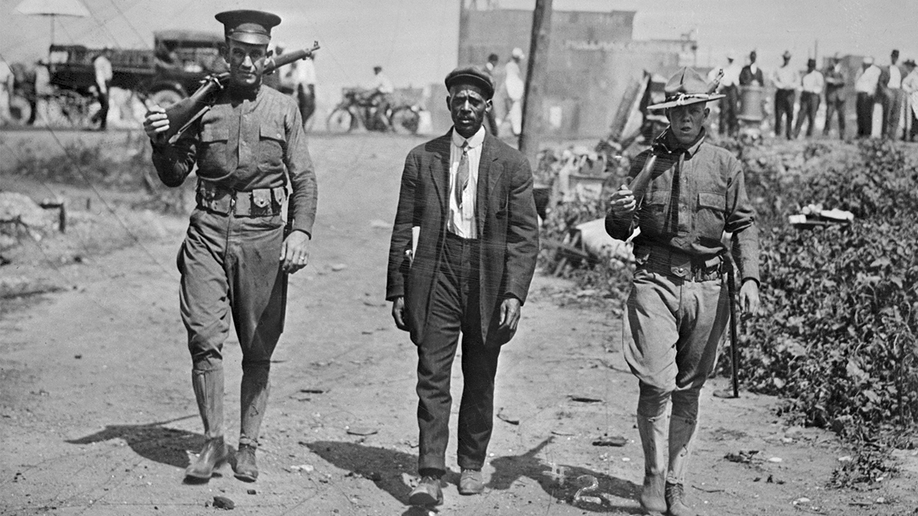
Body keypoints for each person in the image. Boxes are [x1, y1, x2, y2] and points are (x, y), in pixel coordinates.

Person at [141, 9, 317, 484]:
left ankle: (249, 446)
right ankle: (213, 440)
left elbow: (303, 179)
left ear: (268, 57)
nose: (246, 61)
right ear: (226, 54)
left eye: (255, 54)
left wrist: (299, 232)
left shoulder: (283, 109)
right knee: (203, 336)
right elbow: (176, 173)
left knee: (258, 346)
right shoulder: (204, 105)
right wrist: (161, 143)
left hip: (263, 237)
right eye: (237, 52)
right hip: (207, 229)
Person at [605, 67, 760, 516]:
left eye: (694, 109)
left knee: (689, 389)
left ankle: (676, 482)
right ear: (667, 116)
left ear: (705, 111)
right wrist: (618, 214)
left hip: (709, 288)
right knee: (655, 382)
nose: (686, 118)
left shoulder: (726, 165)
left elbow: (744, 224)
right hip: (654, 281)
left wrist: (749, 277)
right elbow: (621, 228)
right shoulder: (645, 164)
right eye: (678, 111)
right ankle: (653, 474)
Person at [386, 66, 539, 507]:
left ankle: (471, 464)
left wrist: (514, 293)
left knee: (480, 373)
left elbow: (526, 237)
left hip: (487, 276)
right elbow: (403, 226)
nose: (466, 107)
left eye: (475, 101)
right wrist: (398, 287)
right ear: (448, 104)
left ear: (487, 106)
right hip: (437, 271)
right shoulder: (422, 158)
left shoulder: (511, 163)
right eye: (459, 99)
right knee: (431, 374)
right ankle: (430, 472)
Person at [793, 58, 824, 138]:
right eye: (810, 66)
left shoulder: (818, 75)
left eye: (812, 66)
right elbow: (800, 86)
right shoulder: (805, 75)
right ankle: (796, 133)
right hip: (805, 97)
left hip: (814, 97)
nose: (811, 68)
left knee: (812, 116)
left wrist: (812, 90)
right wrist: (803, 89)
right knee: (801, 115)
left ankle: (809, 135)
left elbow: (819, 87)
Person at [712, 51, 740, 137]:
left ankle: (731, 132)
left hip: (733, 89)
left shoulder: (737, 68)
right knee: (724, 110)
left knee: (733, 111)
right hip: (725, 90)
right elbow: (713, 75)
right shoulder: (722, 67)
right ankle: (722, 132)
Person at [771, 50, 798, 139]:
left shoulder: (794, 69)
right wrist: (780, 85)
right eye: (785, 58)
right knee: (779, 114)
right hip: (781, 92)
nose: (786, 60)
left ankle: (789, 134)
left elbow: (797, 81)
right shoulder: (779, 69)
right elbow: (774, 79)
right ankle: (778, 133)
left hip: (790, 93)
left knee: (790, 114)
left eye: (788, 58)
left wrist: (790, 86)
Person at [879, 49, 905, 139]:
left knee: (896, 114)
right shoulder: (886, 69)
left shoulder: (901, 70)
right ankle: (884, 134)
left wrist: (901, 91)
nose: (895, 59)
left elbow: (903, 82)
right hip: (889, 91)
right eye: (893, 57)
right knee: (887, 114)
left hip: (898, 92)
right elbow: (881, 83)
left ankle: (892, 135)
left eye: (896, 57)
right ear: (891, 57)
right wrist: (886, 91)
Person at [855, 56, 881, 138]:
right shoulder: (861, 70)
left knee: (867, 114)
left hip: (867, 95)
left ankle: (867, 133)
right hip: (860, 93)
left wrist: (870, 93)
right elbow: (856, 80)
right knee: (860, 114)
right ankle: (860, 132)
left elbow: (873, 84)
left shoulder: (874, 71)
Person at [501, 48, 526, 136]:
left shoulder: (513, 66)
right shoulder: (511, 66)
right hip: (512, 97)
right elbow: (509, 81)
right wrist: (513, 95)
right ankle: (516, 132)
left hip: (514, 96)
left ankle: (514, 131)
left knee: (511, 114)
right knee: (514, 114)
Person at [823, 53, 848, 138]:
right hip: (831, 96)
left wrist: (834, 81)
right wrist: (837, 80)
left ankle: (842, 135)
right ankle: (825, 134)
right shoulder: (829, 69)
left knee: (841, 116)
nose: (837, 61)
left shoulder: (844, 69)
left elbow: (844, 80)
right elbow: (826, 78)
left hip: (841, 96)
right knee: (828, 115)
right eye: (836, 59)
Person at [366, 65, 394, 130]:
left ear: (377, 70)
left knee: (380, 113)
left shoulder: (379, 76)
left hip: (385, 96)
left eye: (375, 71)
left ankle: (388, 127)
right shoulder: (384, 76)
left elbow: (374, 86)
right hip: (387, 95)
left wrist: (365, 91)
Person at [92, 48, 113, 131]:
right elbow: (99, 75)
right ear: (105, 51)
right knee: (106, 105)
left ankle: (103, 126)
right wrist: (102, 88)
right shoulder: (100, 61)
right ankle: (95, 117)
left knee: (104, 105)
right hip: (102, 84)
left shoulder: (106, 60)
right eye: (109, 51)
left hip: (106, 84)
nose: (110, 53)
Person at [483, 53, 500, 135]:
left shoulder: (487, 70)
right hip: (487, 98)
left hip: (486, 97)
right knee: (491, 118)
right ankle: (494, 134)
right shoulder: (487, 71)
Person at [903, 59, 918, 142]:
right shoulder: (913, 74)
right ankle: (912, 135)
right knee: (913, 116)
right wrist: (910, 90)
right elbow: (904, 83)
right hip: (915, 97)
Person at [0, 57, 12, 126]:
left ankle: (5, 121)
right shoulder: (5, 64)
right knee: (3, 104)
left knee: (4, 104)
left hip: (3, 86)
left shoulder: (5, 64)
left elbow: (8, 78)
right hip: (2, 86)